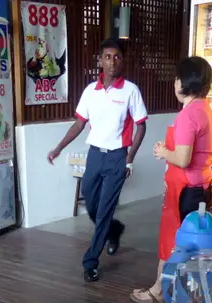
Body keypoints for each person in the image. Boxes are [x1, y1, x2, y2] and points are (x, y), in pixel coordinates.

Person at [47, 39, 148, 282]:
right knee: (92, 206)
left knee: (103, 211)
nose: (112, 61)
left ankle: (91, 261)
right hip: (94, 155)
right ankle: (114, 230)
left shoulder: (130, 91)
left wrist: (129, 159)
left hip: (117, 158)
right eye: (108, 57)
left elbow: (141, 127)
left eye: (117, 57)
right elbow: (80, 123)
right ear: (100, 61)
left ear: (122, 61)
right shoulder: (90, 91)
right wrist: (59, 147)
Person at [131, 56, 212, 303]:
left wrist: (162, 152)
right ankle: (180, 292)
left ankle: (159, 291)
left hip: (185, 191)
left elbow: (182, 158)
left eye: (177, 78)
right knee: (190, 242)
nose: (175, 83)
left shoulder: (188, 115)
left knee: (172, 240)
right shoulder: (205, 110)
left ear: (184, 83)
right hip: (199, 187)